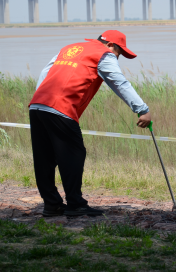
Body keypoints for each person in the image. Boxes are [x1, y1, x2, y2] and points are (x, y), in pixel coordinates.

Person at [29, 30, 152, 217]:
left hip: (37, 105)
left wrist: (40, 100)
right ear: (111, 45)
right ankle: (75, 204)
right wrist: (142, 109)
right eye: (120, 53)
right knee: (74, 153)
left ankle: (52, 205)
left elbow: (45, 72)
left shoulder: (70, 48)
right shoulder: (105, 54)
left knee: (44, 158)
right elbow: (119, 82)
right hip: (61, 107)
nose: (117, 58)